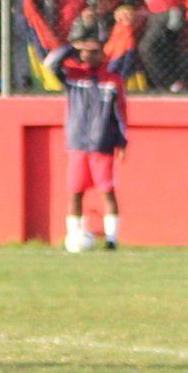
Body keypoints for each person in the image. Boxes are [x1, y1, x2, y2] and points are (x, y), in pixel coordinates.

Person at [48, 16, 128, 252]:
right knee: (75, 191)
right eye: (84, 51)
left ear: (102, 54)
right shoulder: (73, 77)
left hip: (102, 143)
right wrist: (72, 48)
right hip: (77, 142)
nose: (87, 56)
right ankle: (74, 237)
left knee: (106, 190)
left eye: (93, 51)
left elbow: (121, 113)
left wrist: (121, 141)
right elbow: (51, 64)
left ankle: (112, 240)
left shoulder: (112, 81)